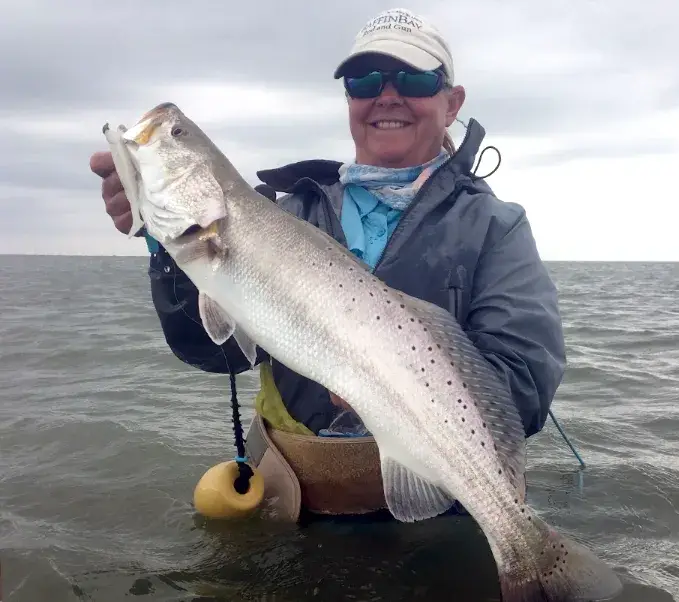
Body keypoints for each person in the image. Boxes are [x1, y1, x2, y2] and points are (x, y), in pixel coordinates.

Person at [89, 7, 566, 522]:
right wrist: (161, 241)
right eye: (363, 80)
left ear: (452, 104)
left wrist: (393, 395)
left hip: (444, 512)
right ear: (348, 101)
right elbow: (213, 352)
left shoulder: (496, 227)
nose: (387, 94)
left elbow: (524, 380)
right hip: (291, 508)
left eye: (414, 78)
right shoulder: (287, 212)